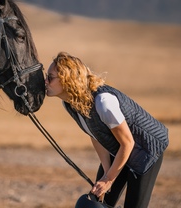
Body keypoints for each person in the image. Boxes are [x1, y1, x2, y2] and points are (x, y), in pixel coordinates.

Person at [45, 52, 169, 208]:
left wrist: (109, 179)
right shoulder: (70, 105)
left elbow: (128, 143)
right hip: (118, 149)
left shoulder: (103, 102)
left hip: (146, 149)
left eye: (50, 77)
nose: (45, 81)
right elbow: (95, 135)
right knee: (98, 201)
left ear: (67, 80)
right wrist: (105, 172)